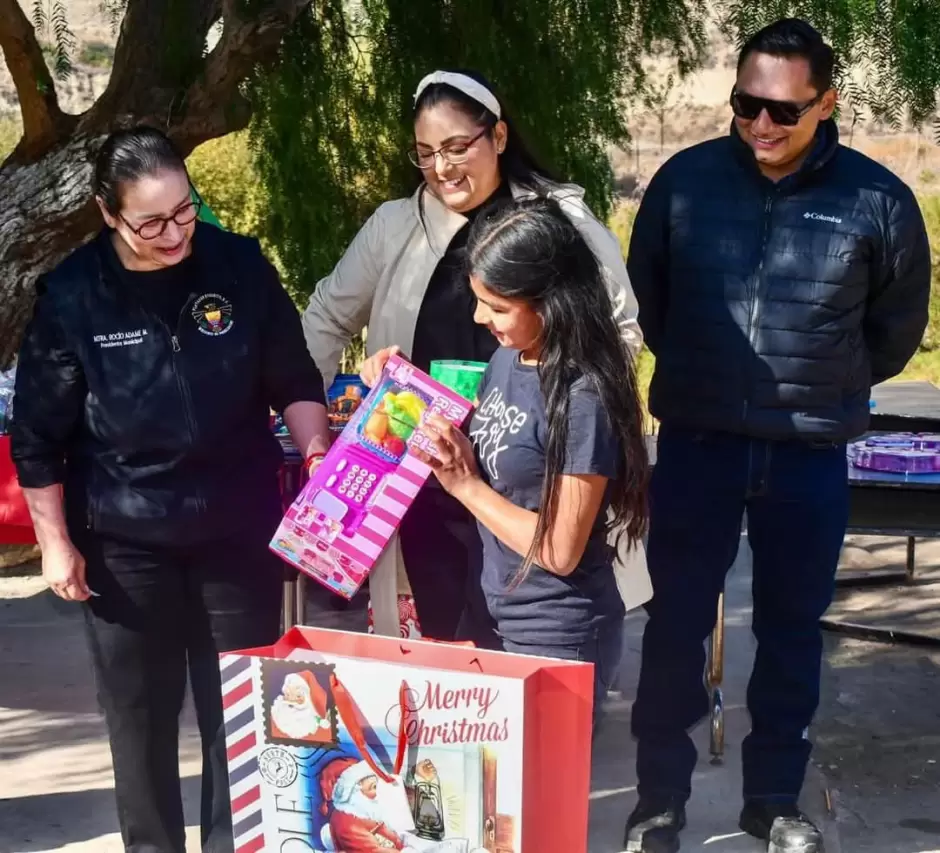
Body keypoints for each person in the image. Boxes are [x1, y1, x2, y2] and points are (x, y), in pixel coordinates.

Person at [624, 19, 931, 853]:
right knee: (674, 625)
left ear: (826, 104)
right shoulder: (684, 184)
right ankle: (658, 799)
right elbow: (651, 297)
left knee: (794, 633)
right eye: (746, 105)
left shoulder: (878, 200)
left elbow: (895, 327)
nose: (761, 124)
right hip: (697, 442)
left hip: (808, 452)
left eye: (782, 111)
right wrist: (701, 367)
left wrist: (825, 382)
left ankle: (772, 801)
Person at [10, 126, 331, 853]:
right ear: (108, 213)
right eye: (151, 221)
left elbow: (294, 379)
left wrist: (315, 446)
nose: (174, 232)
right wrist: (56, 545)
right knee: (139, 717)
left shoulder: (238, 264)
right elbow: (37, 435)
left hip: (237, 529)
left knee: (241, 714)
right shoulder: (73, 294)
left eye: (184, 211)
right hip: (125, 541)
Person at [303, 69, 642, 642]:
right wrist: (315, 422)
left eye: (457, 147)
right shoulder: (395, 226)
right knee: (442, 650)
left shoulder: (560, 222)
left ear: (500, 138)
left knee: (530, 641)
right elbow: (326, 318)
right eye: (425, 153)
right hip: (426, 483)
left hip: (529, 482)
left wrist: (565, 412)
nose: (442, 168)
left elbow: (619, 333)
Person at [414, 197, 649, 719]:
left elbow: (561, 549)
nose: (481, 318)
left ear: (551, 302)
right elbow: (507, 467)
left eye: (498, 307)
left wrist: (465, 485)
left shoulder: (582, 395)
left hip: (556, 631)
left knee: (540, 800)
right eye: (479, 301)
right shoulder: (506, 359)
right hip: (492, 612)